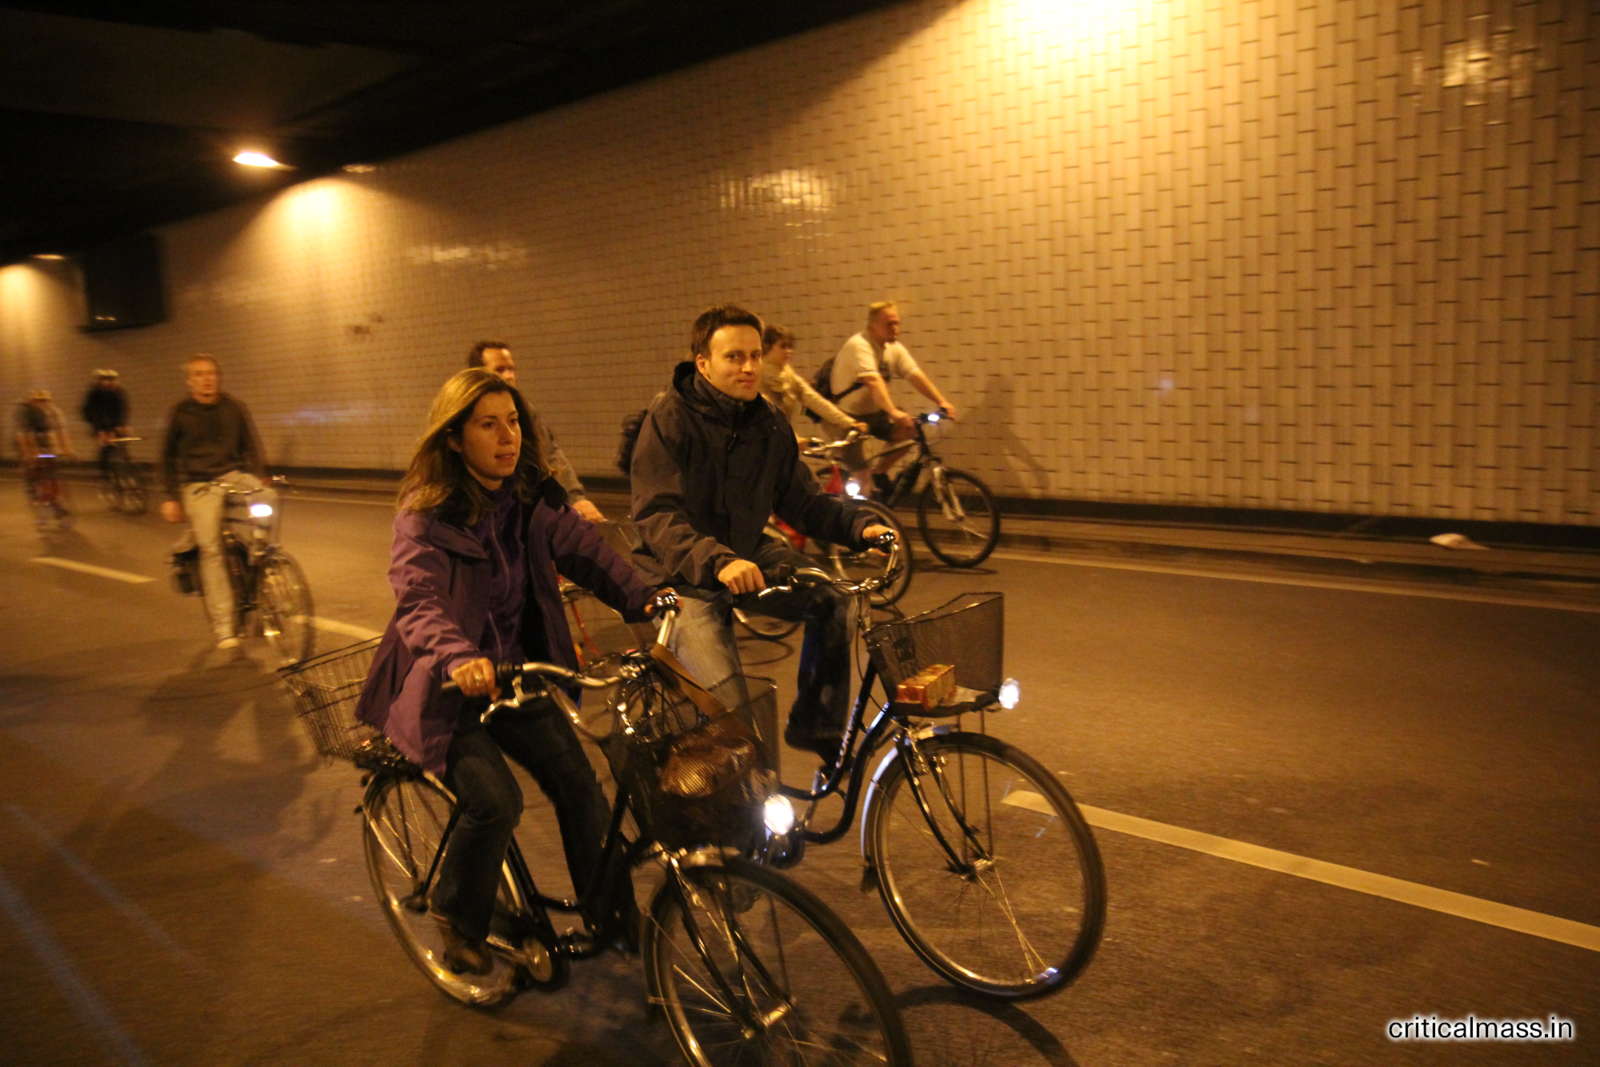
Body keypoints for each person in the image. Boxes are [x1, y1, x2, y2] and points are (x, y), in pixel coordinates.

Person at [356, 368, 662, 975]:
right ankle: (456, 913)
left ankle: (613, 917)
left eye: (514, 422)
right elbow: (420, 600)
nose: (508, 437)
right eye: (488, 425)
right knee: (495, 801)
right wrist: (459, 657)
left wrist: (647, 599)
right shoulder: (426, 515)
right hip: (443, 688)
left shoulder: (530, 498)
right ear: (454, 439)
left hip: (516, 677)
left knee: (579, 783)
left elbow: (587, 552)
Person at [630, 305, 895, 759]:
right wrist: (719, 561)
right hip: (680, 574)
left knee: (835, 600)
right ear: (703, 364)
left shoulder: (768, 422)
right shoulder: (669, 417)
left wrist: (859, 526)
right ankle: (744, 793)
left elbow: (803, 502)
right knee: (734, 715)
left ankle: (816, 726)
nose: (749, 367)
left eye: (754, 355)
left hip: (746, 552)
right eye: (734, 357)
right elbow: (657, 516)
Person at [158, 354, 267, 651]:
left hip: (233, 477)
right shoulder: (180, 413)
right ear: (189, 381)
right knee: (212, 550)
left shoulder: (234, 407)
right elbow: (166, 457)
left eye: (211, 373)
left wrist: (260, 477)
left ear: (218, 377)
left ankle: (265, 565)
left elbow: (251, 445)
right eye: (199, 374)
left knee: (267, 502)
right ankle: (224, 627)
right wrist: (171, 497)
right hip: (199, 485)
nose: (206, 379)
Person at [466, 341, 605, 522]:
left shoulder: (526, 411)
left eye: (511, 369)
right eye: (500, 369)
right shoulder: (466, 411)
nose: (509, 375)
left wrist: (576, 499)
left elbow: (550, 455)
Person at [829, 301, 959, 493]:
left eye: (897, 323)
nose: (895, 328)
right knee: (861, 477)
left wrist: (941, 401)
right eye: (889, 324)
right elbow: (873, 382)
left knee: (910, 430)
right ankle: (859, 506)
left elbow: (915, 375)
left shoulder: (893, 348)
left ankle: (879, 472)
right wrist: (893, 412)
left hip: (875, 414)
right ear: (872, 325)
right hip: (848, 418)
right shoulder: (860, 345)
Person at [758, 324, 867, 441]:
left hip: (781, 439)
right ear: (767, 346)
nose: (788, 351)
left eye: (790, 347)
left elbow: (815, 400)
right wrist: (794, 438)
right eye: (783, 346)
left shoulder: (789, 375)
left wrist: (849, 423)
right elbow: (765, 416)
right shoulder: (758, 376)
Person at [14, 388, 74, 516]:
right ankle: (31, 483)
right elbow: (24, 435)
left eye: (45, 401)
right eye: (39, 401)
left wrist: (67, 449)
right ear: (32, 402)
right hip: (25, 438)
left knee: (51, 466)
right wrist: (29, 454)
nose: (42, 404)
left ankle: (56, 501)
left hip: (43, 439)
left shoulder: (54, 412)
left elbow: (61, 431)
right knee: (32, 462)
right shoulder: (25, 413)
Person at [81, 368, 131, 482]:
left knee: (122, 443)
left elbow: (123, 409)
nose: (109, 382)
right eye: (105, 380)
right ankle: (105, 472)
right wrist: (100, 430)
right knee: (106, 446)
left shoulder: (119, 391)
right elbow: (93, 413)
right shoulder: (94, 393)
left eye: (112, 380)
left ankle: (126, 467)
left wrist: (123, 424)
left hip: (115, 422)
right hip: (99, 423)